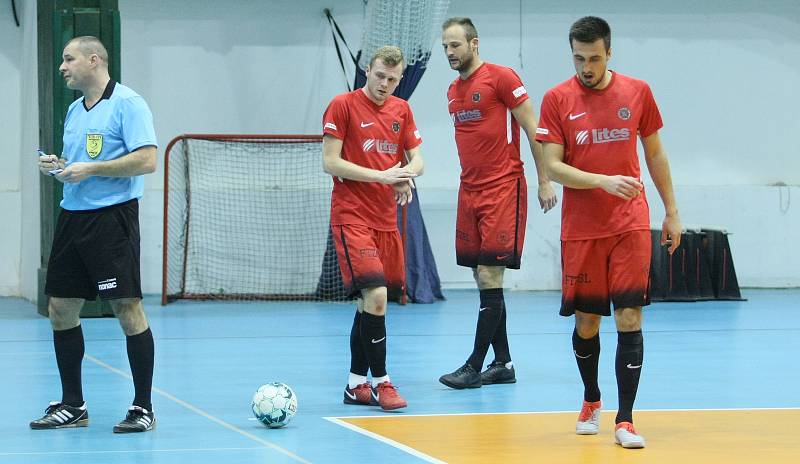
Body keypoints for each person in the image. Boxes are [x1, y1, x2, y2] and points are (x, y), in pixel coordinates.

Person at [536, 16, 682, 448]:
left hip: (630, 223)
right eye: (579, 58)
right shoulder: (557, 99)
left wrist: (672, 211)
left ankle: (625, 419)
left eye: (594, 58)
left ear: (609, 53)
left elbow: (655, 154)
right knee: (587, 323)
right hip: (582, 229)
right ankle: (591, 398)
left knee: (629, 316)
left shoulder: (637, 92)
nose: (586, 66)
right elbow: (553, 166)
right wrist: (601, 180)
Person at [31, 36, 158, 433]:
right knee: (60, 309)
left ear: (94, 59)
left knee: (126, 309)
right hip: (73, 217)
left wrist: (90, 169)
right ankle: (73, 404)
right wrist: (62, 166)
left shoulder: (128, 104)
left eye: (68, 59)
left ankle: (142, 407)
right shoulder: (73, 110)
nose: (62, 66)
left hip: (112, 220)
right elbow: (83, 160)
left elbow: (147, 159)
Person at [438, 17, 557, 389]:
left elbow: (534, 129)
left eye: (455, 45)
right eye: (444, 46)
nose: (449, 53)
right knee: (481, 276)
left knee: (491, 274)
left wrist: (545, 180)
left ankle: (474, 365)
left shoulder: (502, 78)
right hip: (469, 191)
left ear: (474, 43)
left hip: (503, 187)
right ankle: (503, 363)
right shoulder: (452, 92)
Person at [322, 45, 424, 411]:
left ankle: (354, 384)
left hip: (386, 220)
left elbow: (418, 159)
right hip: (352, 215)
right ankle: (382, 383)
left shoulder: (402, 109)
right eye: (380, 76)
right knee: (377, 296)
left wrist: (404, 175)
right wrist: (383, 176)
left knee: (370, 303)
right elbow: (331, 162)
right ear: (368, 70)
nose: (385, 84)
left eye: (393, 79)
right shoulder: (343, 105)